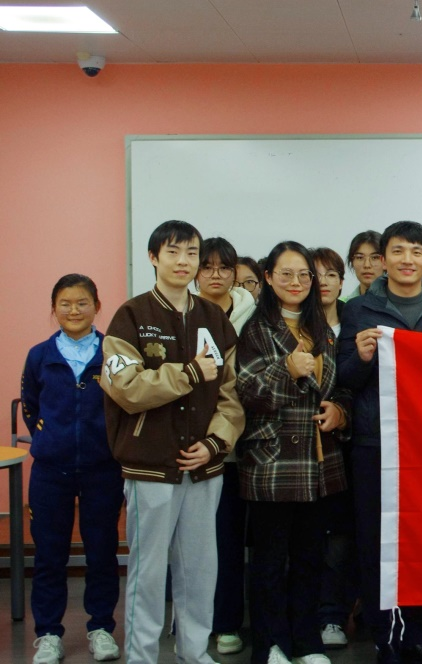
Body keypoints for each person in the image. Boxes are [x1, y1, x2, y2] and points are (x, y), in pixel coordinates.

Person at [100, 219, 245, 664]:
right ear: (153, 257)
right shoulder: (131, 316)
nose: (184, 261)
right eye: (173, 252)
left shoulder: (214, 319)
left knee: (200, 569)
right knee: (147, 572)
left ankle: (194, 652)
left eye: (191, 253)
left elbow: (231, 396)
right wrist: (186, 374)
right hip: (149, 465)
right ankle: (141, 657)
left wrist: (215, 444)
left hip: (203, 467)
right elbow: (125, 388)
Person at [337, 221, 422, 664]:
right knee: (376, 545)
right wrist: (363, 356)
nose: (407, 260)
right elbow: (345, 377)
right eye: (398, 251)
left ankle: (417, 639)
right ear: (383, 258)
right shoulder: (359, 310)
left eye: (416, 251)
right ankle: (386, 640)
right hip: (376, 443)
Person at [235, 241, 350, 664]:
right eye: (286, 274)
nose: (297, 282)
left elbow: (341, 387)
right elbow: (248, 392)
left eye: (304, 275)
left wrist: (340, 412)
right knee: (269, 563)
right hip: (273, 461)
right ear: (268, 278)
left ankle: (307, 643)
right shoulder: (255, 328)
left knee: (309, 558)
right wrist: (285, 370)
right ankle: (270, 645)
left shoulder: (324, 329)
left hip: (318, 463)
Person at [22, 274, 123, 664]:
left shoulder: (113, 352)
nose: (74, 310)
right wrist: (50, 438)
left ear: (97, 306)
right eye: (65, 303)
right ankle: (48, 634)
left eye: (82, 302)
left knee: (102, 553)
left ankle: (101, 629)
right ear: (54, 308)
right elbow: (32, 406)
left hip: (102, 469)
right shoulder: (39, 355)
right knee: (49, 556)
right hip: (51, 471)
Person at [194, 237, 257, 655]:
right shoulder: (183, 313)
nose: (215, 275)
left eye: (224, 267)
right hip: (203, 446)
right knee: (207, 543)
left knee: (243, 542)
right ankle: (210, 623)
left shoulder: (255, 313)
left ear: (235, 272)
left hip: (251, 446)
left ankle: (238, 622)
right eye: (207, 267)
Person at [308, 246, 358, 649]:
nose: (323, 282)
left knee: (343, 535)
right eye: (316, 274)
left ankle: (333, 615)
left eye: (331, 275)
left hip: (351, 444)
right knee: (309, 536)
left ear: (343, 282)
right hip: (306, 449)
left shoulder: (355, 319)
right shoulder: (292, 324)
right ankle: (307, 616)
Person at [342, 230, 385, 301]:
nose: (367, 265)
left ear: (386, 261)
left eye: (375, 257)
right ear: (352, 262)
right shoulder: (344, 304)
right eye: (360, 258)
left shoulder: (399, 302)